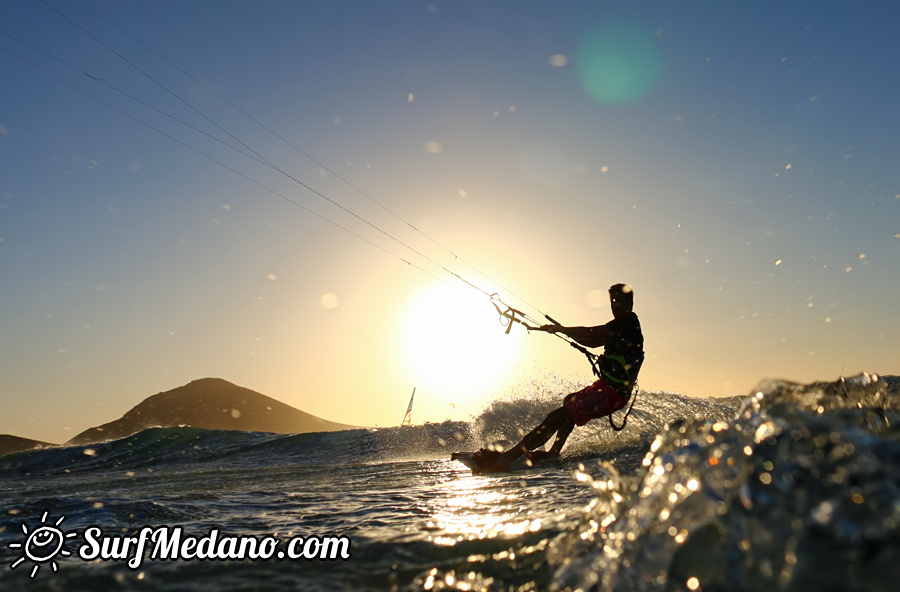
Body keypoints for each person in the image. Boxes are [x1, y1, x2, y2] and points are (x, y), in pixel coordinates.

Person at [475, 283, 644, 471]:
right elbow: (592, 341)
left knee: (556, 417)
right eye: (612, 302)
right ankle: (553, 453)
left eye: (617, 302)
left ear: (627, 303)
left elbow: (592, 333)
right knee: (569, 401)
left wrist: (563, 329)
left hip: (612, 393)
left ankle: (507, 459)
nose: (614, 306)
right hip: (609, 389)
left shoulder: (626, 324)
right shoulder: (624, 325)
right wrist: (561, 330)